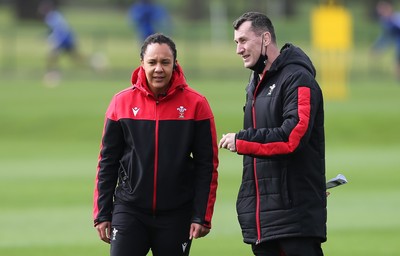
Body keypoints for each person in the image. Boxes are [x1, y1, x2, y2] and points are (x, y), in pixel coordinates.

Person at [93, 33, 219, 256]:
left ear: (175, 64)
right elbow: (107, 162)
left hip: (176, 214)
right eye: (152, 62)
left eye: (165, 62)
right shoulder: (120, 102)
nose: (158, 68)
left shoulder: (197, 104)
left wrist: (202, 215)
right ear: (142, 64)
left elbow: (207, 165)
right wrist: (102, 213)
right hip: (129, 210)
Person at [218, 12, 326, 256]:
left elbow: (292, 138)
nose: (239, 49)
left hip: (294, 220)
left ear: (265, 38)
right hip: (262, 221)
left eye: (244, 41)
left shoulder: (298, 78)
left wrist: (242, 140)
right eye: (236, 42)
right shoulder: (254, 82)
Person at [37, 0, 84, 85]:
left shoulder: (51, 17)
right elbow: (53, 30)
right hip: (66, 39)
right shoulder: (55, 15)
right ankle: (54, 73)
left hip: (65, 40)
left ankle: (53, 74)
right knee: (75, 58)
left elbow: (58, 31)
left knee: (53, 56)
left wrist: (54, 41)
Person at [372, 0, 400, 80]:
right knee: (397, 65)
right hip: (398, 46)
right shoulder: (385, 21)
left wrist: (379, 47)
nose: (379, 10)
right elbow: (386, 37)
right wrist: (378, 47)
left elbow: (387, 37)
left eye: (381, 8)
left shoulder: (395, 19)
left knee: (397, 65)